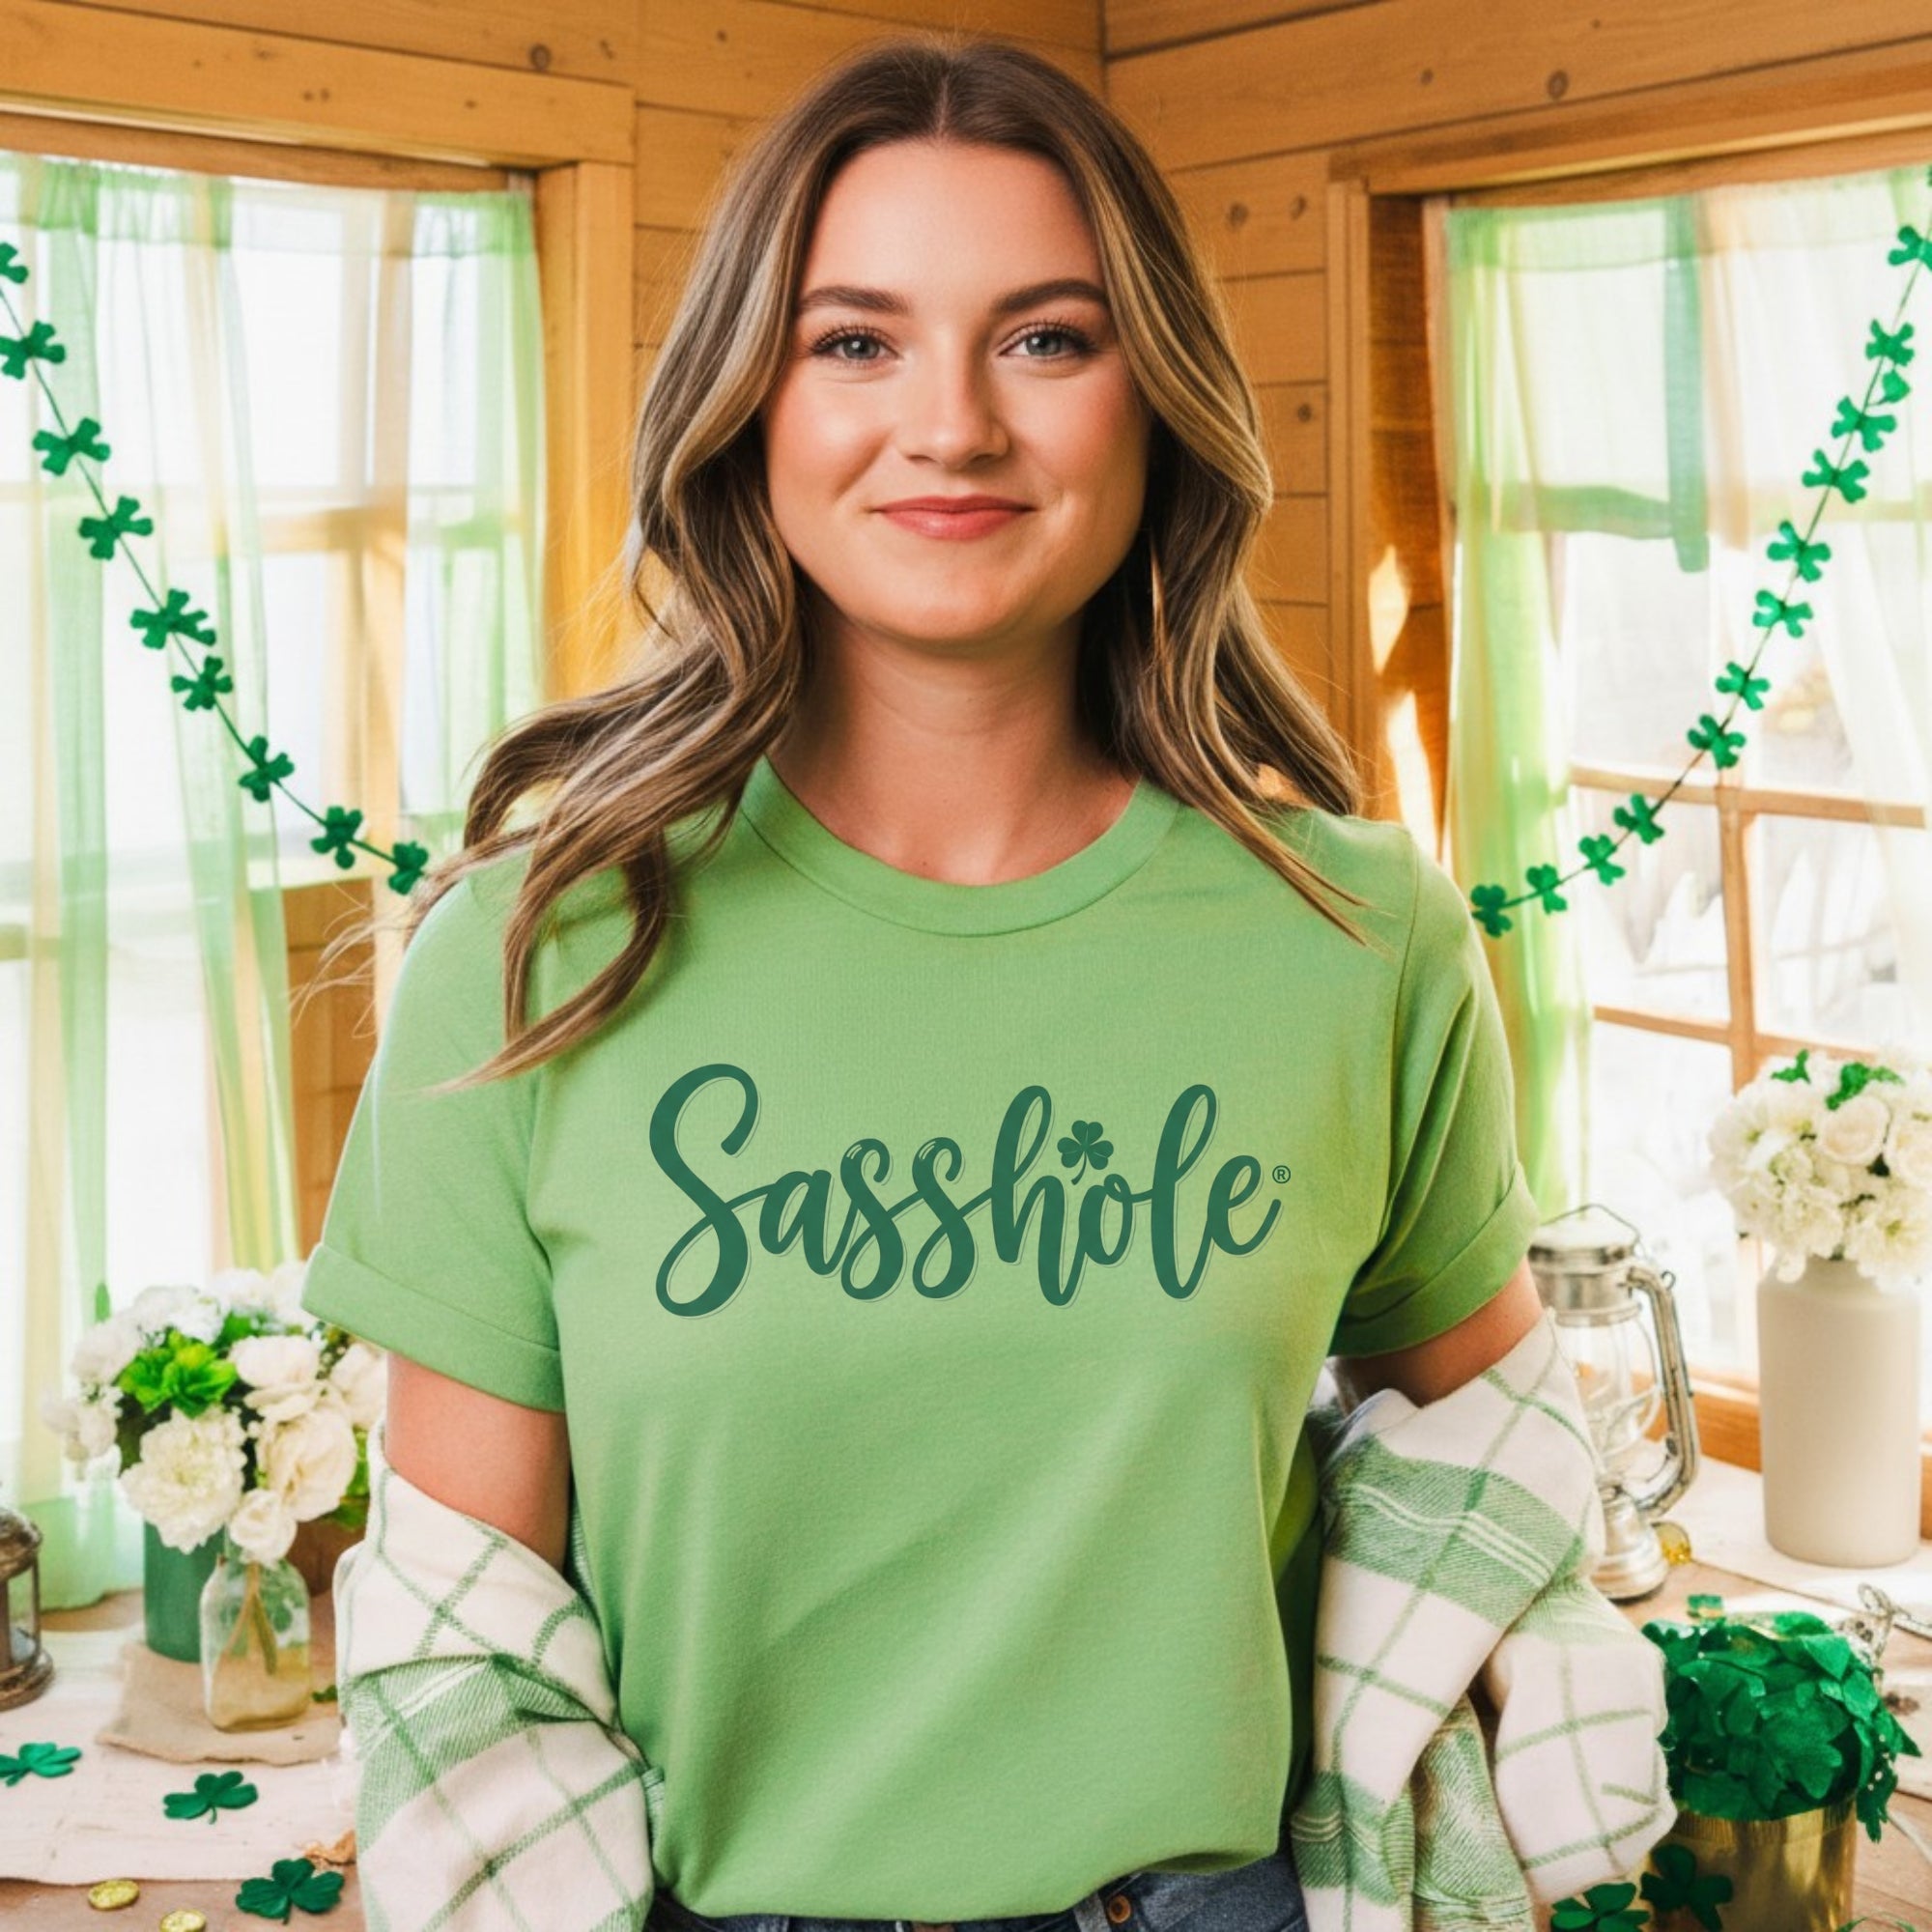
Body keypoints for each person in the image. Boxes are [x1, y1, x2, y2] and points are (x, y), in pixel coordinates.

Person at [301, 28, 1551, 1932]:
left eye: (1045, 337)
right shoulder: (537, 953)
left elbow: (1490, 1479)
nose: (952, 424)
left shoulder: (1362, 938)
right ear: (749, 404)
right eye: (854, 342)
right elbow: (465, 1647)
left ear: (1156, 400)